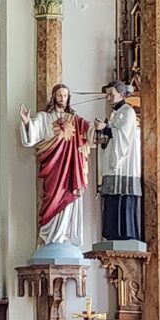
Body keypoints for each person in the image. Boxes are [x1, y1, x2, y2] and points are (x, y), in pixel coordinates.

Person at [20, 81, 92, 256]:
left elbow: (90, 134)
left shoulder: (75, 120)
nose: (63, 98)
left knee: (68, 197)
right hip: (53, 167)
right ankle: (50, 237)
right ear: (54, 97)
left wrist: (99, 129)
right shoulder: (44, 117)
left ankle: (64, 236)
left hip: (70, 170)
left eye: (65, 95)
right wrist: (27, 121)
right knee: (52, 198)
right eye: (59, 95)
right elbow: (32, 137)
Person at [97, 78, 144, 248]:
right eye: (107, 95)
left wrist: (106, 128)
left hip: (124, 165)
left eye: (111, 95)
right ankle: (112, 232)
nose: (109, 98)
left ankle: (125, 233)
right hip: (115, 163)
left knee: (123, 199)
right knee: (112, 200)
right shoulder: (117, 113)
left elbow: (123, 136)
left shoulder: (127, 111)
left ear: (122, 94)